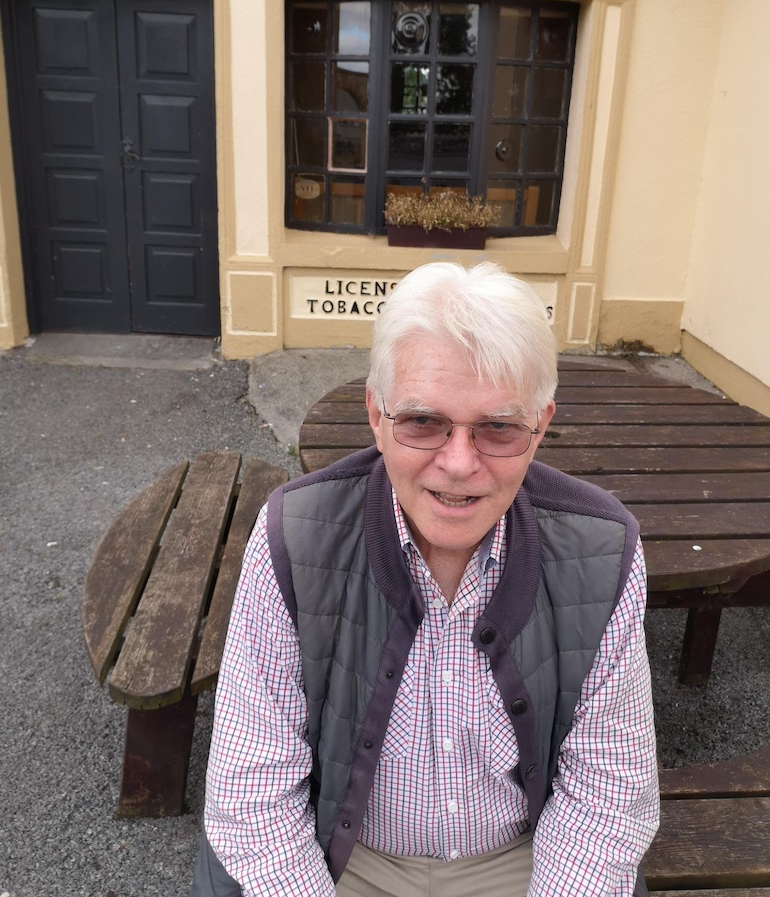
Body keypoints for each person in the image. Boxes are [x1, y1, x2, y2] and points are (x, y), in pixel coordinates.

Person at [192, 261, 659, 897]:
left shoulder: (604, 549)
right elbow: (253, 796)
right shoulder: (292, 538)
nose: (460, 463)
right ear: (377, 416)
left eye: (498, 427)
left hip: (522, 863)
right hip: (338, 857)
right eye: (422, 421)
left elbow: (606, 797)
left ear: (540, 426)